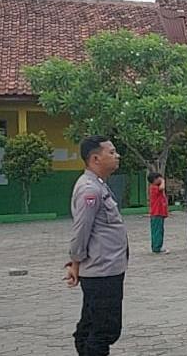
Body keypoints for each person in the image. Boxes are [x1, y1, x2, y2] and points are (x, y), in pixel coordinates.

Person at [66, 136, 128, 355]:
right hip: (102, 271)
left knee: (91, 325)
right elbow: (81, 230)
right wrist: (75, 262)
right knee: (104, 330)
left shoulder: (98, 185)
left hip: (107, 268)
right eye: (111, 152)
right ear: (95, 159)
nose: (117, 156)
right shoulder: (89, 190)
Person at [147, 172, 169, 254]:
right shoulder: (153, 187)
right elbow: (162, 187)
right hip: (156, 213)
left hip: (159, 213)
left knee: (159, 230)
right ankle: (157, 247)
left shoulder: (156, 187)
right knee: (157, 231)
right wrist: (163, 181)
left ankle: (158, 246)